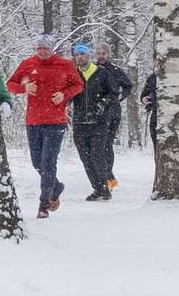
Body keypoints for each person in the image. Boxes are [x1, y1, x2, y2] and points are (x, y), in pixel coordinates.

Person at [7, 33, 85, 217]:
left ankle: (44, 204)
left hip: (56, 121)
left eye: (46, 48)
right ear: (36, 49)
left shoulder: (64, 64)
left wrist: (64, 94)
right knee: (37, 163)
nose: (42, 51)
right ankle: (56, 187)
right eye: (40, 48)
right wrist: (23, 88)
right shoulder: (28, 64)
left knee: (48, 163)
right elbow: (10, 84)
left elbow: (78, 85)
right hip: (33, 120)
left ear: (52, 49)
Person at [67, 40, 131, 202]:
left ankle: (105, 187)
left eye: (83, 53)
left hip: (100, 122)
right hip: (80, 122)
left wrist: (103, 103)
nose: (80, 57)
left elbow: (114, 92)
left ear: (89, 55)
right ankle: (97, 188)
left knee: (97, 154)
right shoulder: (74, 74)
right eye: (77, 54)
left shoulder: (101, 72)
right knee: (85, 157)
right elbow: (68, 94)